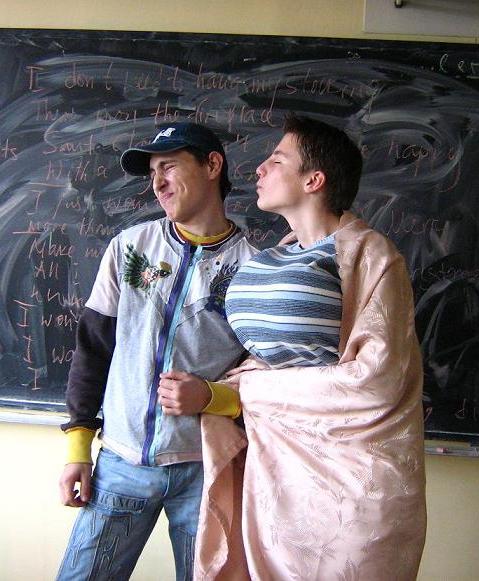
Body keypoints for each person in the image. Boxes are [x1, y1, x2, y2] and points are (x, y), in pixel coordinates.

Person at [193, 115, 427, 580]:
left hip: (354, 480)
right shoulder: (275, 255)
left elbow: (376, 381)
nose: (259, 169)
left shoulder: (372, 254)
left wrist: (248, 391)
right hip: (274, 472)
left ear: (314, 180)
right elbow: (263, 357)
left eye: (277, 160)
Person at [56, 121, 256, 581]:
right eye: (152, 173)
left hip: (207, 469)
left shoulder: (253, 269)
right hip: (120, 464)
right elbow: (92, 350)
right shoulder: (129, 248)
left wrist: (214, 397)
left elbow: (272, 381)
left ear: (212, 165)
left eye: (169, 167)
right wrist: (78, 447)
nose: (158, 183)